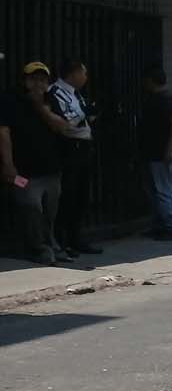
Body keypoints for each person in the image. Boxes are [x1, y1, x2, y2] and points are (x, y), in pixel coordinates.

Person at [2, 61, 69, 265]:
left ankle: (50, 243)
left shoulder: (51, 101)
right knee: (31, 208)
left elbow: (62, 127)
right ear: (25, 81)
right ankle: (39, 248)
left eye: (42, 80)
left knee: (50, 211)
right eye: (34, 79)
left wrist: (41, 107)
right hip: (24, 171)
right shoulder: (10, 101)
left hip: (51, 170)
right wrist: (8, 165)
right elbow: (3, 134)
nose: (38, 84)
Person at [46, 58, 100, 257]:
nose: (85, 78)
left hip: (84, 146)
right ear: (73, 74)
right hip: (70, 148)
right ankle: (63, 240)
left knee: (82, 196)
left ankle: (76, 238)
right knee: (68, 195)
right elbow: (66, 123)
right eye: (83, 73)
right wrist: (83, 115)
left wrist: (90, 114)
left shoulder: (76, 94)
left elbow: (82, 118)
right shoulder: (56, 92)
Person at [138, 64, 172, 240]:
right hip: (152, 150)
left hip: (159, 151)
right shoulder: (157, 98)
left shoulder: (166, 99)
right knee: (155, 189)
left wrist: (170, 149)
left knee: (162, 188)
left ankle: (171, 226)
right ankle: (160, 224)